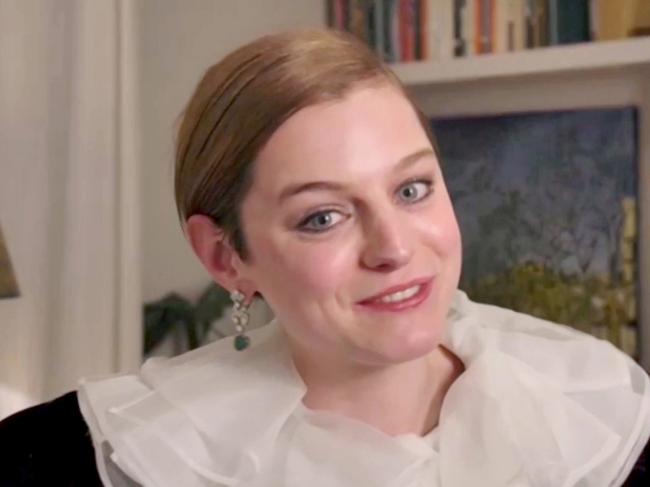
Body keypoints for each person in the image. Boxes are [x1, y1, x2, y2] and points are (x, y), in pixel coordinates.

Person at [1, 28, 649, 487]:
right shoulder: (70, 460)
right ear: (227, 258)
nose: (395, 247)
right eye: (323, 217)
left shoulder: (603, 422)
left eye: (412, 188)